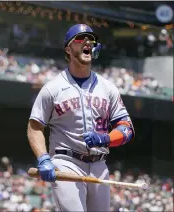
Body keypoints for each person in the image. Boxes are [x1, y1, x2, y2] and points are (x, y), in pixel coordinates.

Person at [27, 24, 135, 212]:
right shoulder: (53, 88)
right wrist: (44, 158)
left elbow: (127, 128)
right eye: (80, 38)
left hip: (100, 164)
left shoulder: (108, 88)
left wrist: (106, 138)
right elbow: (35, 126)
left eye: (90, 39)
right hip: (66, 161)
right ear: (68, 49)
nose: (87, 42)